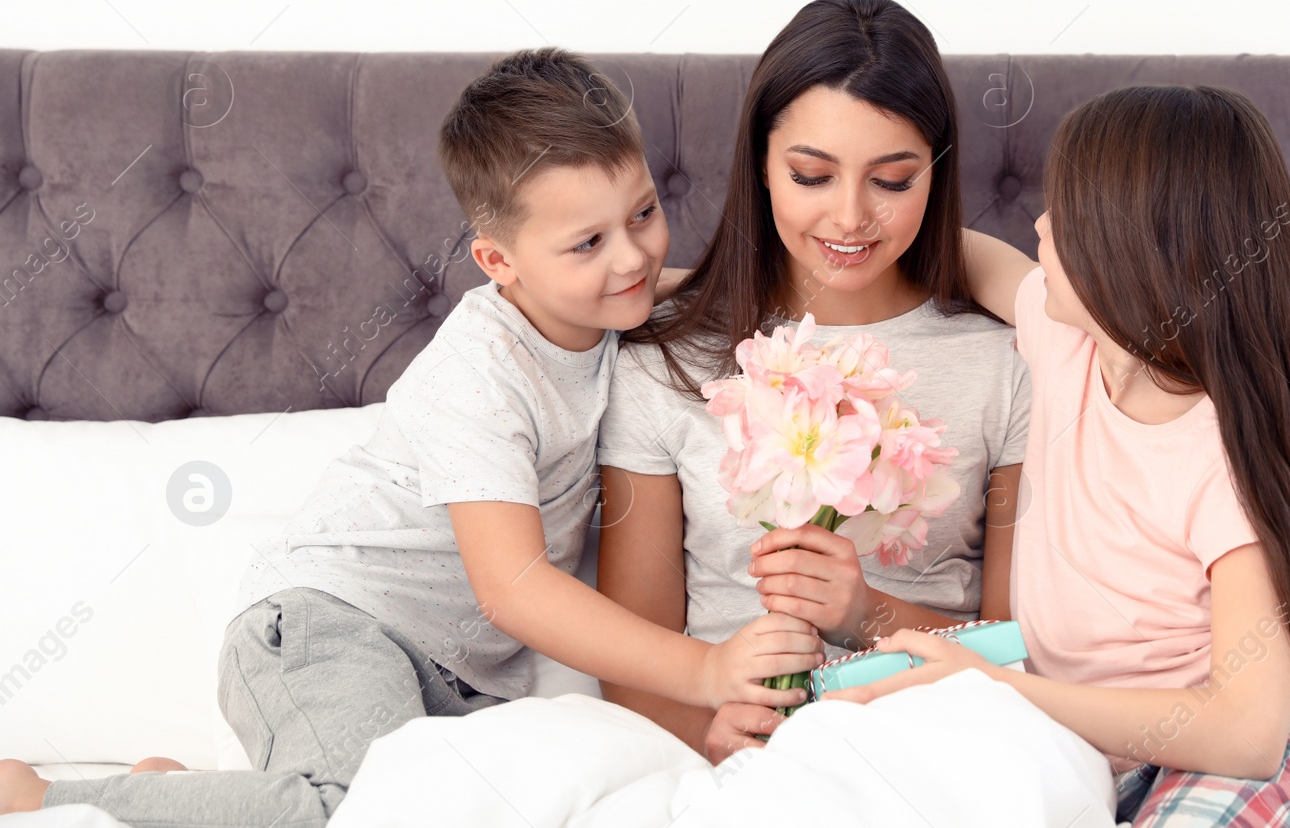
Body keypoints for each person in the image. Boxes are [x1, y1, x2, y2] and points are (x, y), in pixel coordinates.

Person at [0, 48, 820, 824]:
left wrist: (946, 266)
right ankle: (38, 796)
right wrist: (706, 669)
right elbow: (516, 587)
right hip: (329, 624)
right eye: (588, 243)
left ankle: (187, 798)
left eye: (643, 212)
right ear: (499, 262)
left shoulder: (619, 300)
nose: (634, 256)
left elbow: (753, 288)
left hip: (454, 678)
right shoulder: (481, 370)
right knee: (355, 810)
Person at [827, 84, 1290, 827]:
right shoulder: (1067, 346)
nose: (1040, 222)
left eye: (1069, 210)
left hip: (1233, 760)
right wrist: (726, 278)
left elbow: (1248, 732)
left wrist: (996, 685)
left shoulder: (1223, 454)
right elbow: (959, 251)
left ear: (1137, 252)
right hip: (1083, 752)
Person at [596, 0, 1031, 765]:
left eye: (893, 181)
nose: (850, 216)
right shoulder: (666, 365)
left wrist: (866, 612)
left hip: (941, 739)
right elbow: (633, 658)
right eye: (811, 174)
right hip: (737, 757)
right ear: (762, 164)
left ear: (936, 174)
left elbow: (1021, 650)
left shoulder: (1004, 364)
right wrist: (706, 731)